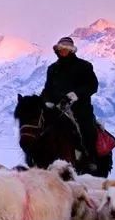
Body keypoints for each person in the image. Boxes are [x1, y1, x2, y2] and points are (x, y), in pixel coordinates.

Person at [41, 36, 99, 169]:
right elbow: (48, 88)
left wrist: (75, 95)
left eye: (66, 49)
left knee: (87, 129)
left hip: (80, 108)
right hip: (56, 108)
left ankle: (90, 158)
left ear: (72, 51)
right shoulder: (52, 69)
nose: (63, 51)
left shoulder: (84, 66)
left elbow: (92, 85)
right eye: (61, 49)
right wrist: (46, 101)